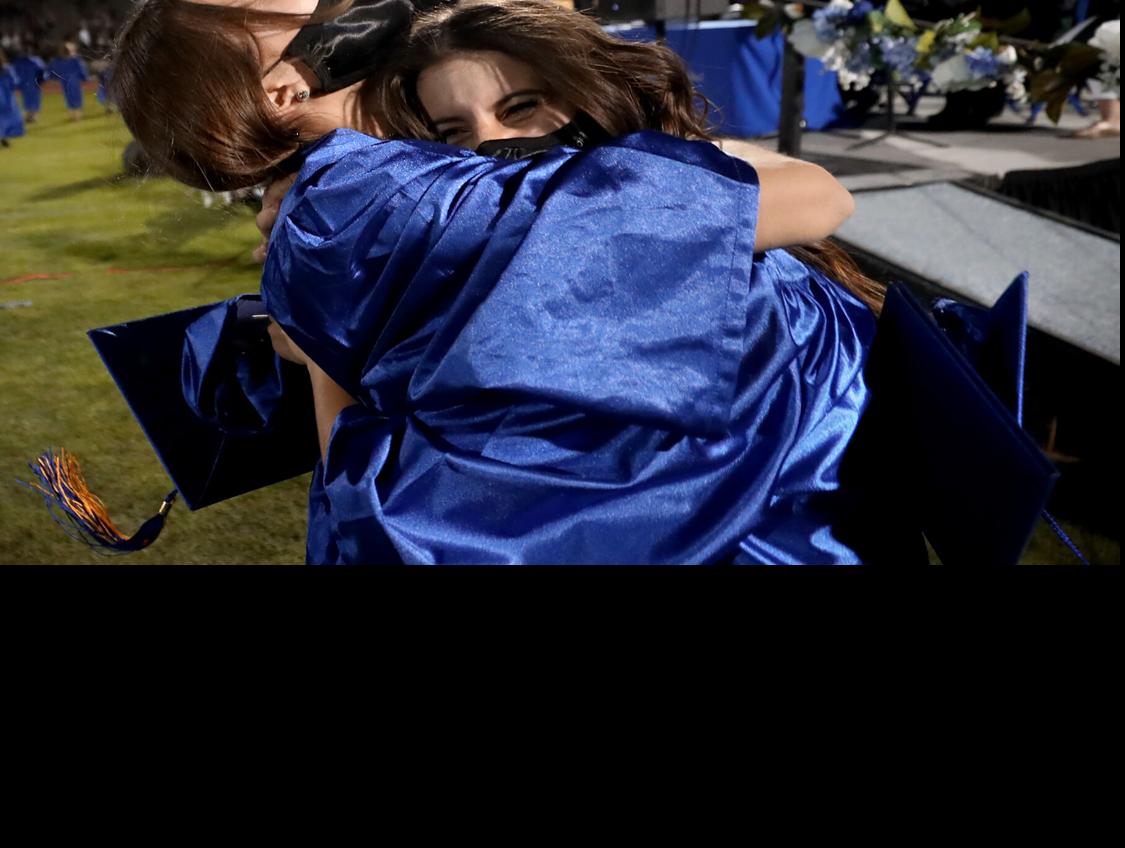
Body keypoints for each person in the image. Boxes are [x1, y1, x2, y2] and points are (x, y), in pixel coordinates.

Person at [109, 0, 893, 564]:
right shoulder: (399, 201)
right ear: (279, 86)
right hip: (697, 519)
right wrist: (639, 157)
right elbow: (815, 197)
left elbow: (344, 444)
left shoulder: (350, 197)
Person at [48, 40, 87, 120]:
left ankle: (74, 114)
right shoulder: (74, 60)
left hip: (66, 80)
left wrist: (52, 77)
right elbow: (81, 69)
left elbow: (53, 71)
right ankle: (76, 114)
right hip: (72, 80)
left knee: (69, 96)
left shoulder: (68, 60)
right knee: (74, 96)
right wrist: (84, 77)